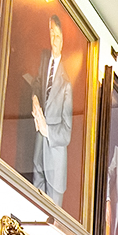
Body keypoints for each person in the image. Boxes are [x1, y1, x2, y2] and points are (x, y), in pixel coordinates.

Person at [31, 15, 74, 200]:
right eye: (51, 33)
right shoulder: (43, 61)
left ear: (63, 40)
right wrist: (34, 99)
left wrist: (46, 129)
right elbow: (37, 84)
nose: (53, 39)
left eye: (57, 35)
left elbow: (66, 133)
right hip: (38, 156)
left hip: (55, 165)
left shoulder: (67, 83)